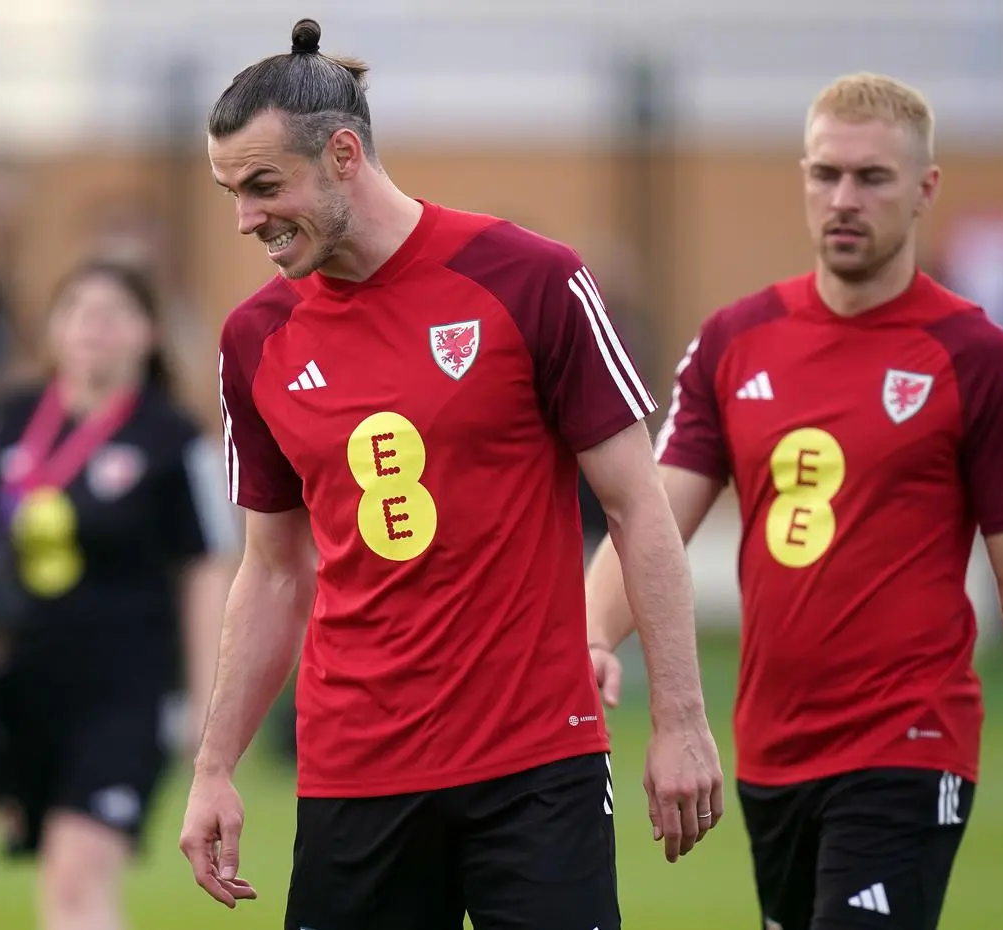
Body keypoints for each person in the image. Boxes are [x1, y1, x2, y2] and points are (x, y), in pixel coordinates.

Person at [177, 17, 723, 930]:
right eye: (231, 191)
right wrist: (214, 766)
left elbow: (638, 508)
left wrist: (681, 717)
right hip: (355, 771)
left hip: (535, 765)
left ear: (343, 154)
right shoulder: (254, 339)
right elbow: (273, 568)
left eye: (264, 186)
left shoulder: (531, 280)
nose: (246, 218)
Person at [584, 72, 1003, 929]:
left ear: (925, 188)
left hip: (909, 741)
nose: (843, 198)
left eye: (872, 177)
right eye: (825, 174)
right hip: (771, 750)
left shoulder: (978, 358)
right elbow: (655, 518)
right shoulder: (735, 341)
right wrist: (591, 634)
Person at [0, 258, 238, 930]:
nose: (94, 327)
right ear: (52, 328)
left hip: (125, 692)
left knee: (78, 873)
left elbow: (209, 569)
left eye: (115, 312)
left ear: (149, 332)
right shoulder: (11, 415)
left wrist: (210, 702)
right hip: (20, 686)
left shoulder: (174, 438)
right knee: (56, 883)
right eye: (78, 310)